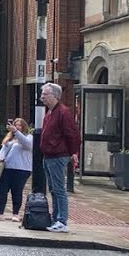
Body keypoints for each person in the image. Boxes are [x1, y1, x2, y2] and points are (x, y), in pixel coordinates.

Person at [39, 82, 80, 233]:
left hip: (57, 155)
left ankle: (62, 220)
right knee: (53, 189)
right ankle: (56, 218)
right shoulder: (50, 112)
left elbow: (73, 134)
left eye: (45, 94)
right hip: (49, 155)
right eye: (42, 94)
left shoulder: (63, 112)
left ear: (54, 96)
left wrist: (73, 152)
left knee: (59, 189)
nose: (42, 97)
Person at [0, 118, 33, 221]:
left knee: (17, 191)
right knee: (1, 190)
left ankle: (15, 214)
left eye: (19, 125)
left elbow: (27, 145)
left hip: (21, 169)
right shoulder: (10, 138)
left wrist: (16, 132)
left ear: (24, 127)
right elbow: (3, 150)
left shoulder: (28, 137)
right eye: (15, 125)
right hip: (6, 168)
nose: (17, 127)